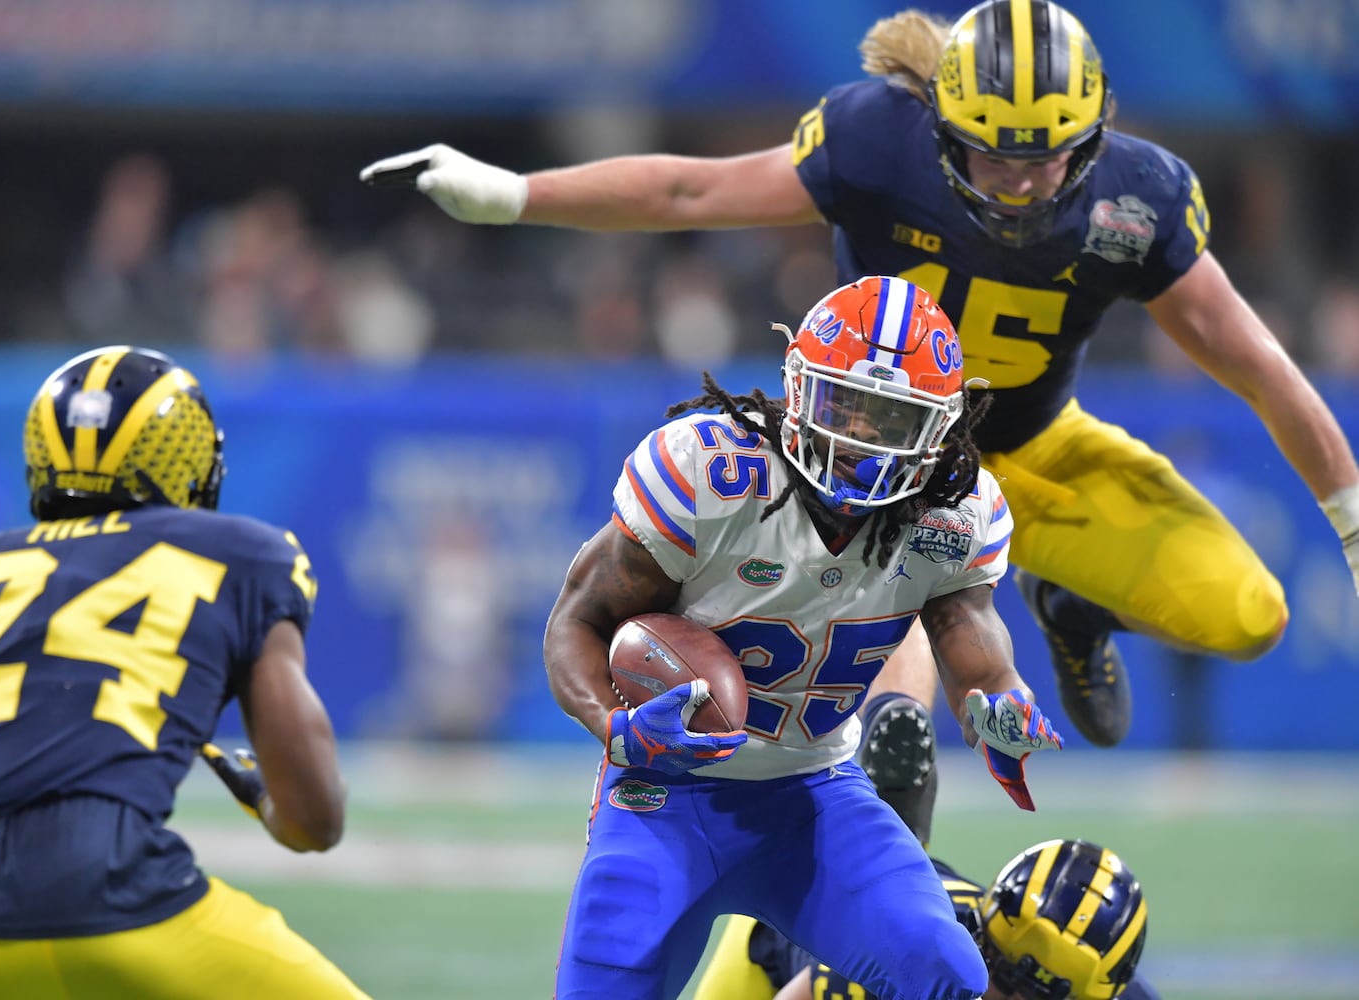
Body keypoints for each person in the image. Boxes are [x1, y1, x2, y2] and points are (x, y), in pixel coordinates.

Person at [362, 0, 1359, 748]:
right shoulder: (880, 138)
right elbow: (690, 186)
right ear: (941, 127)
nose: (1020, 181)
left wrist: (1353, 521)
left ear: (1091, 138)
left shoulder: (1139, 199)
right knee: (887, 746)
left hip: (1034, 450)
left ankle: (1072, 603)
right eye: (993, 155)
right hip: (863, 475)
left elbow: (1264, 371)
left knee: (1251, 616)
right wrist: (515, 194)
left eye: (1047, 158)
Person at [542, 275, 1065, 1000]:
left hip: (813, 791)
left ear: (939, 429)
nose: (858, 438)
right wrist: (616, 729)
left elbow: (964, 623)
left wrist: (999, 695)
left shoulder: (955, 512)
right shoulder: (709, 474)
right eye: (844, 403)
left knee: (945, 969)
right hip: (666, 793)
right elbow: (576, 620)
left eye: (890, 419)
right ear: (796, 386)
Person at [0, 346, 370, 999]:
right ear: (186, 458)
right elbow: (315, 820)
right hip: (116, 893)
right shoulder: (245, 553)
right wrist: (267, 799)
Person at [692, 693, 1160, 1000]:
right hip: (778, 947)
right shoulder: (910, 962)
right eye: (999, 972)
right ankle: (887, 831)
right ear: (984, 938)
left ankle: (895, 829)